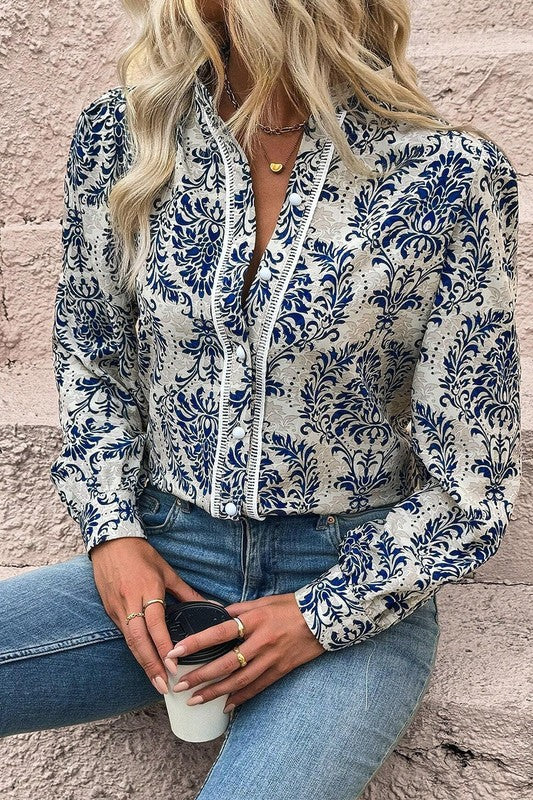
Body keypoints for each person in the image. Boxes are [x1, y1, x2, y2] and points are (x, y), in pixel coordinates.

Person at [0, 1, 521, 798]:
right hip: (168, 561)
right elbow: (91, 357)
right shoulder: (124, 135)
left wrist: (320, 615)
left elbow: (473, 478)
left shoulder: (445, 174)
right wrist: (112, 531)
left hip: (347, 580)